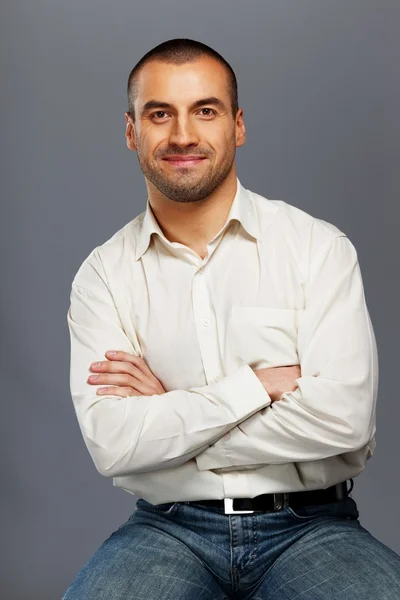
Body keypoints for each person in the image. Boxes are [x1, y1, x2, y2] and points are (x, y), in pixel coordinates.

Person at [63, 38, 400, 599]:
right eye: (159, 114)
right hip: (169, 529)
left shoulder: (317, 248)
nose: (182, 135)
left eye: (205, 110)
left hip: (312, 527)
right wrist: (256, 387)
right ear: (131, 132)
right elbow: (113, 445)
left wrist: (169, 415)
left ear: (237, 125)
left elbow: (345, 422)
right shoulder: (102, 275)